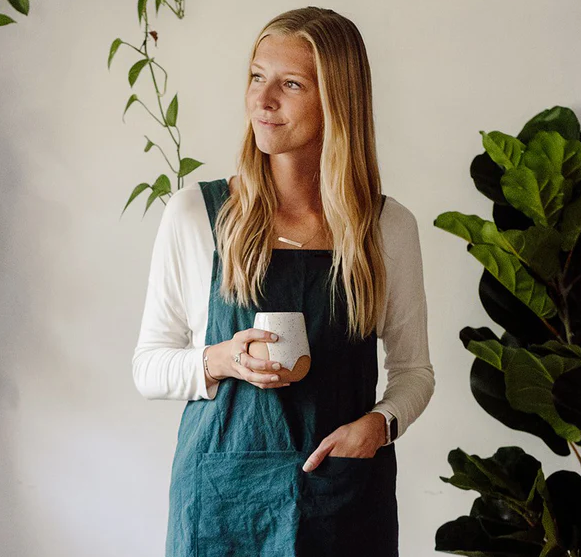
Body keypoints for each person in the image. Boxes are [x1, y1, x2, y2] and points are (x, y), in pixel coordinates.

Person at [132, 6, 435, 557]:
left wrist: (380, 424)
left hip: (342, 497)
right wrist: (222, 359)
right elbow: (147, 366)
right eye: (256, 76)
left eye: (290, 84)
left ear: (337, 101)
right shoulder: (196, 215)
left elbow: (414, 371)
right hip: (222, 501)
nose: (262, 101)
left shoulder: (386, 227)